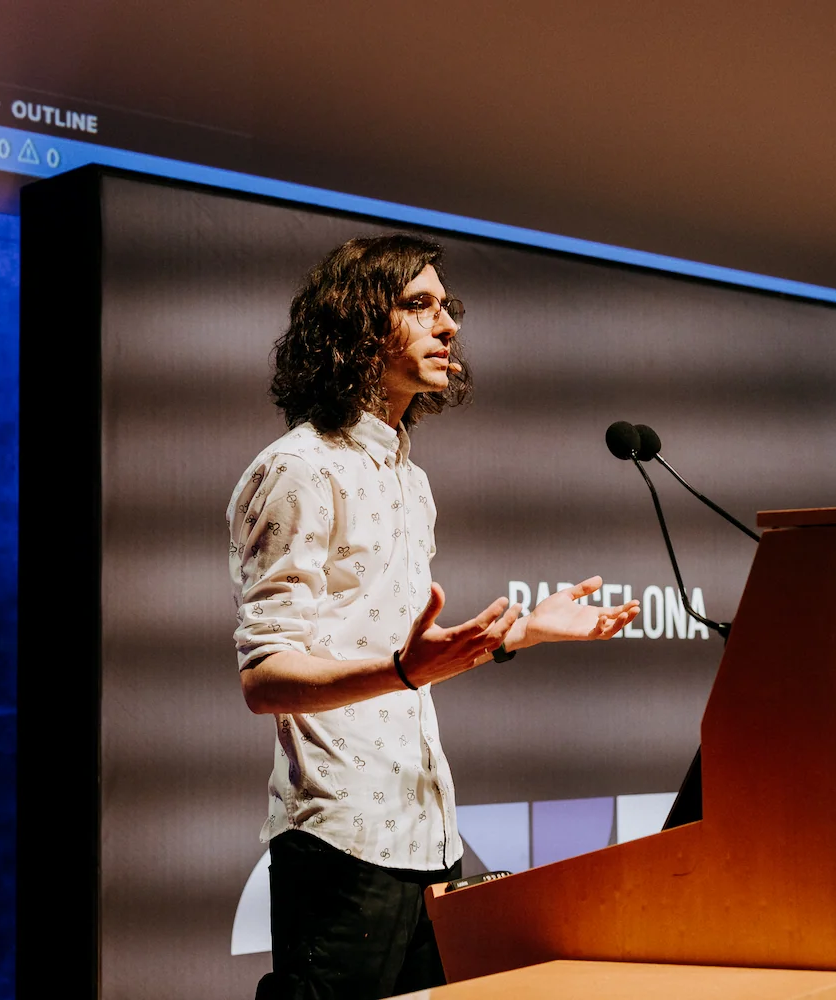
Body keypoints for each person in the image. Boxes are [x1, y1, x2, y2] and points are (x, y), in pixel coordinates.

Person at [227, 233, 640, 1000]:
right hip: (341, 843)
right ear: (355, 326)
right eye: (418, 305)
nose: (448, 324)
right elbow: (265, 678)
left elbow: (407, 653)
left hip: (430, 836)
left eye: (448, 307)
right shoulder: (298, 469)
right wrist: (401, 671)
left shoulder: (411, 480)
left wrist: (519, 635)